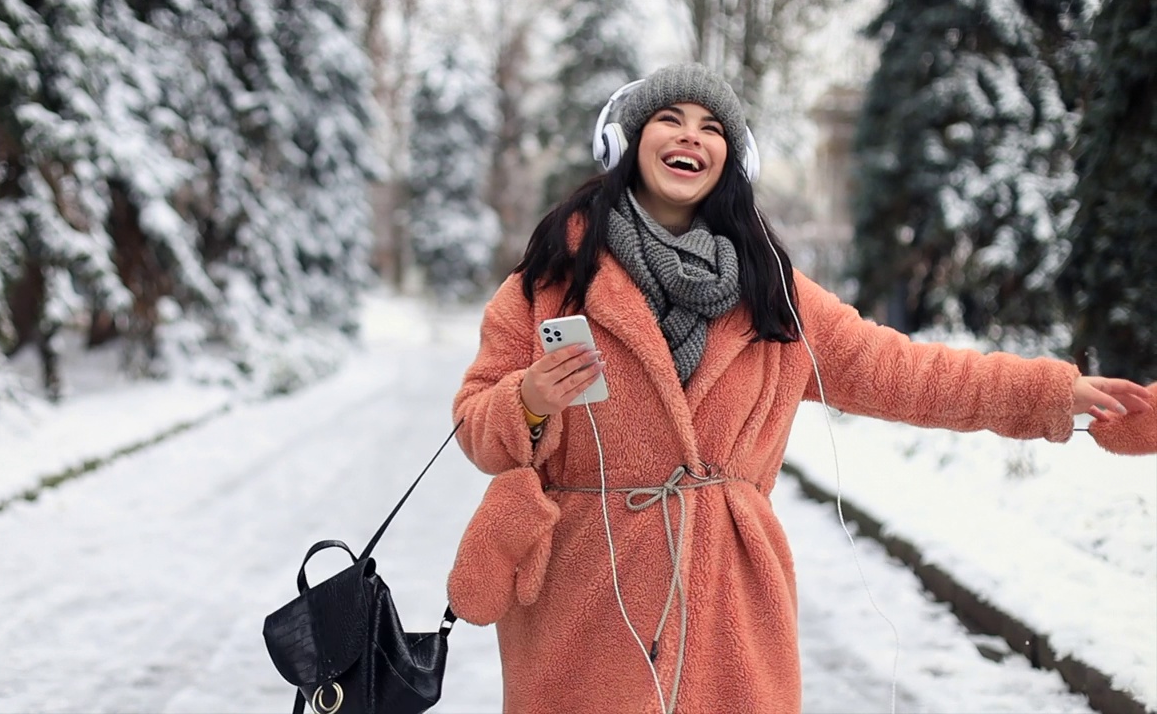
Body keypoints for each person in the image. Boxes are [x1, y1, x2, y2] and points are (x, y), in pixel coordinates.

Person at [445, 62, 1155, 714]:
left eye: (712, 127)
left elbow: (907, 374)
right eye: (671, 118)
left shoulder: (772, 296)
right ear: (629, 140)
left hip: (727, 606)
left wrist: (1054, 395)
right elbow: (477, 426)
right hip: (585, 609)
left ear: (729, 160)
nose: (691, 136)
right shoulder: (549, 282)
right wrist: (530, 400)